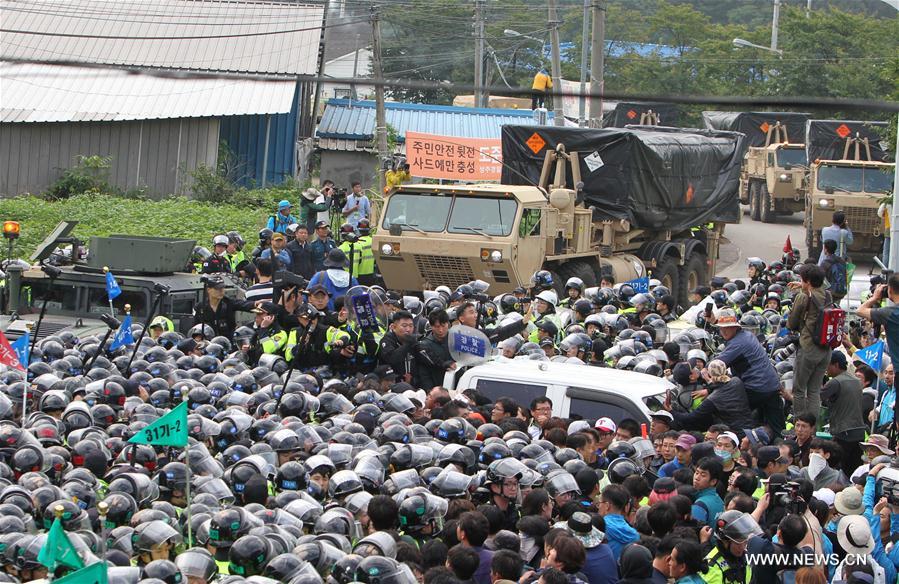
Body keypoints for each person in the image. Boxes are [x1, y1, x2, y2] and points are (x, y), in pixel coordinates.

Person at [714, 309, 784, 436]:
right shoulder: (747, 335)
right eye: (721, 328)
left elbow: (716, 364)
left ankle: (741, 438)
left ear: (735, 327)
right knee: (777, 427)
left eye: (727, 328)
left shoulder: (738, 343)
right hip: (771, 385)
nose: (723, 331)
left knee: (732, 411)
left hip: (758, 388)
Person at [787, 264, 832, 417]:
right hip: (825, 349)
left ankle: (800, 424)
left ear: (807, 281)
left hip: (808, 347)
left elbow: (791, 324)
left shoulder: (803, 297)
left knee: (799, 390)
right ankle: (812, 428)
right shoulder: (827, 295)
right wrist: (803, 286)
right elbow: (815, 291)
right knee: (814, 390)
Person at [821, 351, 865, 476]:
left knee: (835, 468)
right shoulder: (856, 381)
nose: (825, 369)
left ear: (835, 365)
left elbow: (815, 397)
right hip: (859, 431)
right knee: (853, 471)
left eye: (827, 365)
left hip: (844, 432)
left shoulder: (835, 382)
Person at [414, 309, 455, 391]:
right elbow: (424, 373)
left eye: (443, 326)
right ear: (431, 326)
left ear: (448, 324)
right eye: (437, 327)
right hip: (436, 387)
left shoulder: (456, 339)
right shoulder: (424, 345)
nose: (440, 330)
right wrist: (430, 391)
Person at [819, 240, 848, 305]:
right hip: (843, 290)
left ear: (825, 249)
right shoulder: (841, 260)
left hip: (832, 292)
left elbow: (819, 277)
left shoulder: (825, 262)